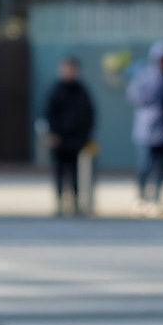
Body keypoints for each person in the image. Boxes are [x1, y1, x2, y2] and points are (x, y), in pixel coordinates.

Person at [127, 41, 163, 211]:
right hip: (147, 130)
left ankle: (157, 198)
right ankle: (141, 196)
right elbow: (133, 96)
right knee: (145, 164)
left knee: (161, 166)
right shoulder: (144, 76)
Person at [44, 56, 96, 216]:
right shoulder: (56, 90)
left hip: (78, 140)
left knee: (77, 174)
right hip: (60, 140)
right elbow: (49, 114)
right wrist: (53, 133)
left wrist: (86, 135)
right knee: (60, 173)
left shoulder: (82, 90)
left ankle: (76, 203)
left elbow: (90, 114)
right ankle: (59, 204)